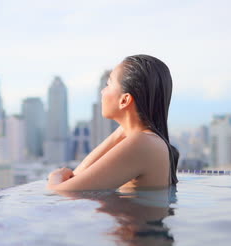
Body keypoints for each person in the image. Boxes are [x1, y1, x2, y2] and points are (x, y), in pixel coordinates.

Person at [47, 55, 179, 191]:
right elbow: (77, 176)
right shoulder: (145, 139)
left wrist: (54, 177)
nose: (102, 92)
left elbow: (63, 192)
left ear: (124, 100)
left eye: (108, 85)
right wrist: (122, 130)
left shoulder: (143, 142)